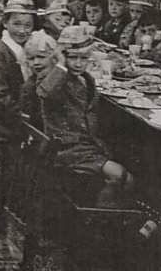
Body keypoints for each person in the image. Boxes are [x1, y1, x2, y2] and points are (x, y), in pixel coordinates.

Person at [46, 26, 132, 208]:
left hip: (86, 145)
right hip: (67, 149)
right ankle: (99, 220)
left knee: (126, 167)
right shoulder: (56, 77)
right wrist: (60, 64)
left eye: (83, 58)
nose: (78, 64)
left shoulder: (85, 78)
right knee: (122, 176)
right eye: (72, 57)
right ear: (61, 55)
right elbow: (46, 93)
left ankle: (103, 215)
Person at [0, 0, 39, 149]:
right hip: (7, 123)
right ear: (5, 23)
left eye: (28, 25)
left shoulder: (30, 47)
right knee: (11, 163)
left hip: (26, 118)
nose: (22, 30)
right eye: (16, 24)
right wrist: (22, 118)